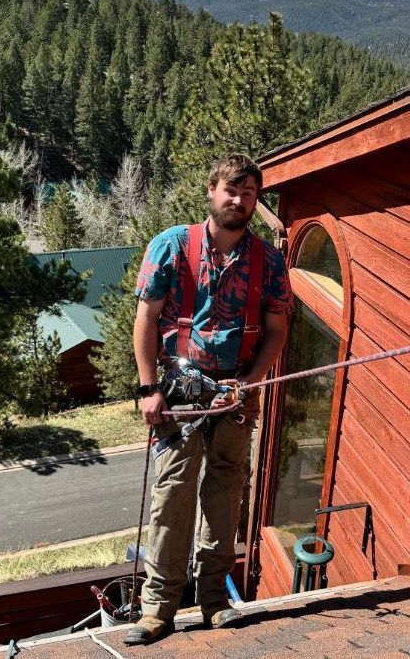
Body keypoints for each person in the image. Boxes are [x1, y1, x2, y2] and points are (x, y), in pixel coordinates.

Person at [125, 154, 293, 646]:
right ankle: (158, 609)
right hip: (178, 392)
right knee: (172, 496)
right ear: (211, 191)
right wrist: (147, 388)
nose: (239, 201)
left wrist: (252, 381)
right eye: (231, 191)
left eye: (249, 194)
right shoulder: (173, 246)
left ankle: (216, 601)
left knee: (225, 493)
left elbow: (278, 330)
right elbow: (146, 319)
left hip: (236, 393)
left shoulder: (268, 260)